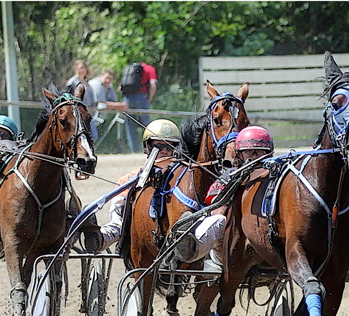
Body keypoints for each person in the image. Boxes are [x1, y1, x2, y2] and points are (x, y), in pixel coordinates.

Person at [175, 125, 275, 266]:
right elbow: (214, 203)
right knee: (218, 219)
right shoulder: (228, 177)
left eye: (259, 152)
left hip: (269, 242)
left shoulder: (276, 177)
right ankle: (190, 250)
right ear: (239, 155)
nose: (254, 157)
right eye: (249, 152)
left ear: (269, 153)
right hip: (230, 246)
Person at [98, 119, 181, 250]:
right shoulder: (129, 179)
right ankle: (103, 237)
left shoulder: (183, 179)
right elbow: (118, 212)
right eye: (158, 147)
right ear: (148, 147)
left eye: (169, 147)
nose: (164, 151)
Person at [120, 62, 158, 154]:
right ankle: (149, 149)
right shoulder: (150, 69)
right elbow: (153, 85)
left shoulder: (129, 68)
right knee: (146, 126)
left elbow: (120, 86)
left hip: (128, 98)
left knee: (130, 126)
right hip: (141, 97)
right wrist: (149, 98)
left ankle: (134, 151)